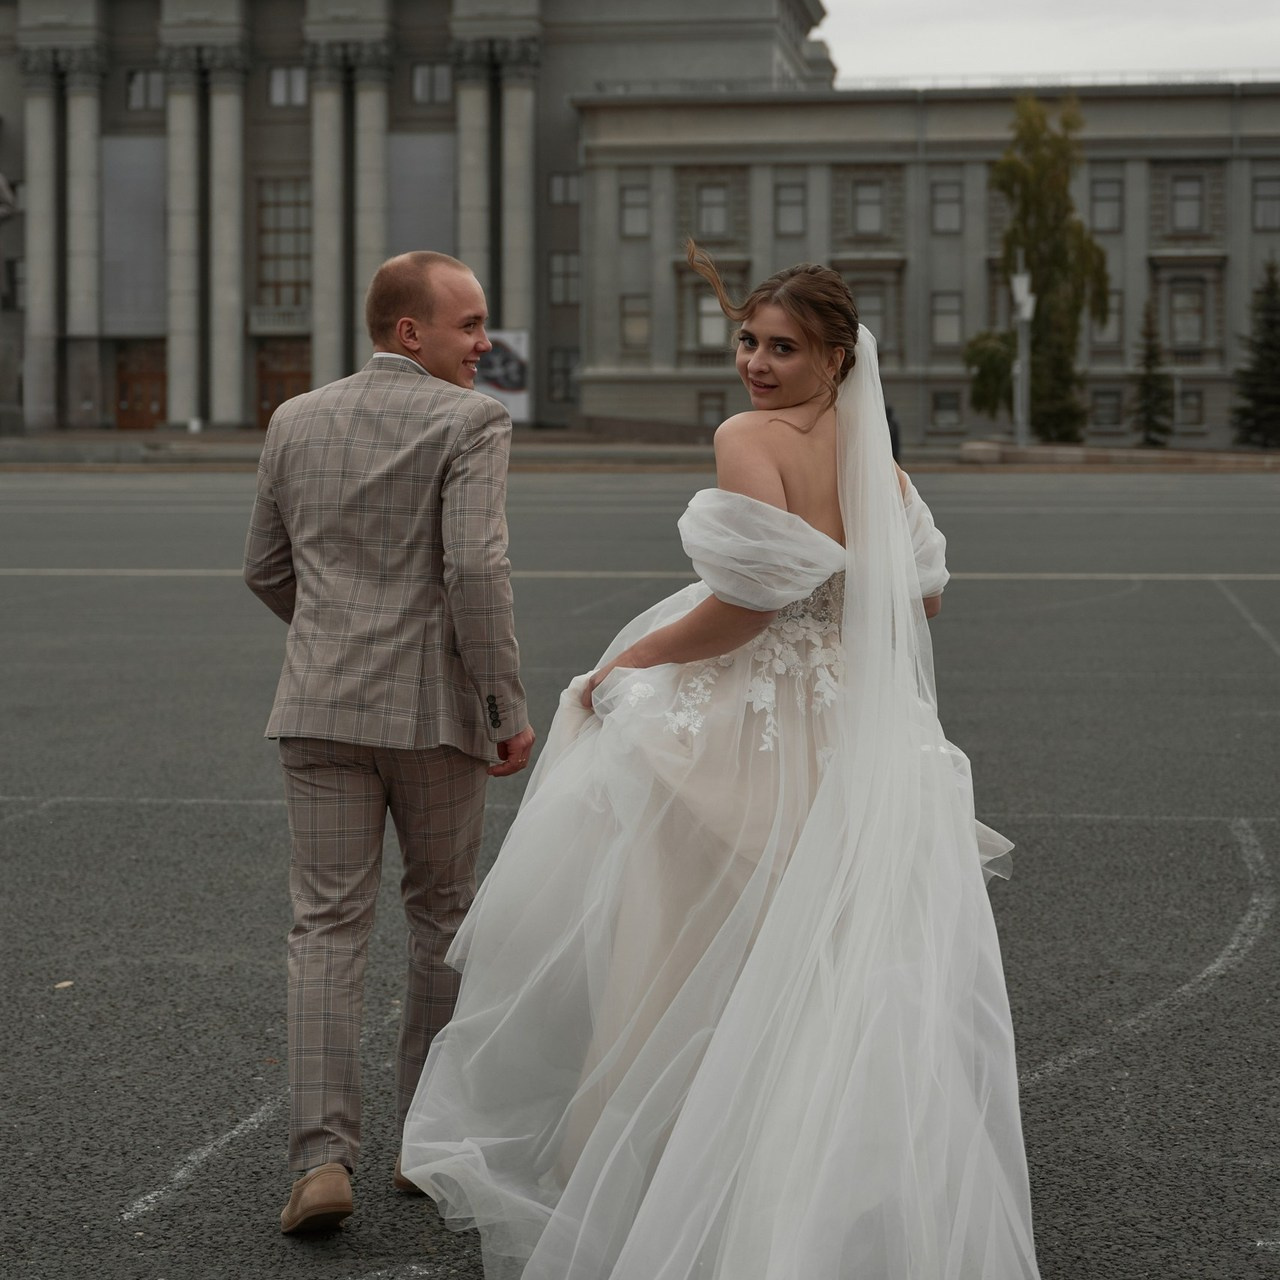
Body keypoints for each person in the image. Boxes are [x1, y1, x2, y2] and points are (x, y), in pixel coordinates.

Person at [400, 244, 1040, 1279]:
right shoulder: (881, 463)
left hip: (757, 719)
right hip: (856, 727)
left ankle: (674, 1176)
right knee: (828, 953)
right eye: (747, 339)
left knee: (690, 945)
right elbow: (917, 596)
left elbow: (750, 604)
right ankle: (833, 1185)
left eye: (782, 346)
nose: (754, 361)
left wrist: (631, 655)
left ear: (836, 356)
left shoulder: (746, 438)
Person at [244, 251, 534, 1235]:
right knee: (443, 918)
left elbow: (263, 567)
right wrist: (503, 704)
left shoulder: (292, 417)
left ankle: (320, 1159)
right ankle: (423, 1139)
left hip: (319, 707)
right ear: (409, 331)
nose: (483, 342)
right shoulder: (470, 421)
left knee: (324, 931)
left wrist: (330, 633)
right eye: (469, 324)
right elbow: (475, 572)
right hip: (433, 716)